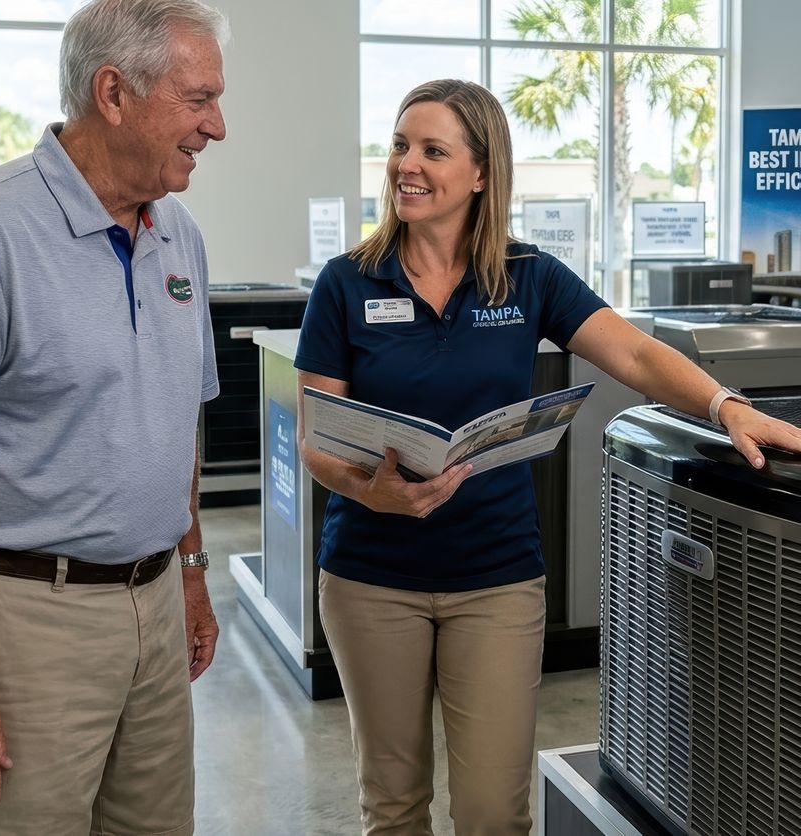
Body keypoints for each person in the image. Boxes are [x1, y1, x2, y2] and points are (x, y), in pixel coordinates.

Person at [295, 78, 801, 836]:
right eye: (401, 145)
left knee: (495, 813)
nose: (408, 164)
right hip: (372, 579)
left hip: (497, 579)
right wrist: (370, 492)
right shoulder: (346, 283)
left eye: (434, 150)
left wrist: (727, 407)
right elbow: (316, 438)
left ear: (481, 172)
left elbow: (631, 350)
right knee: (392, 805)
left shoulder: (525, 276)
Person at [0, 2, 229, 834]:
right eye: (198, 98)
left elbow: (179, 427)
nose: (217, 125)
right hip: (20, 623)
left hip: (154, 610)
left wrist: (192, 570)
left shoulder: (180, 237)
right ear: (113, 92)